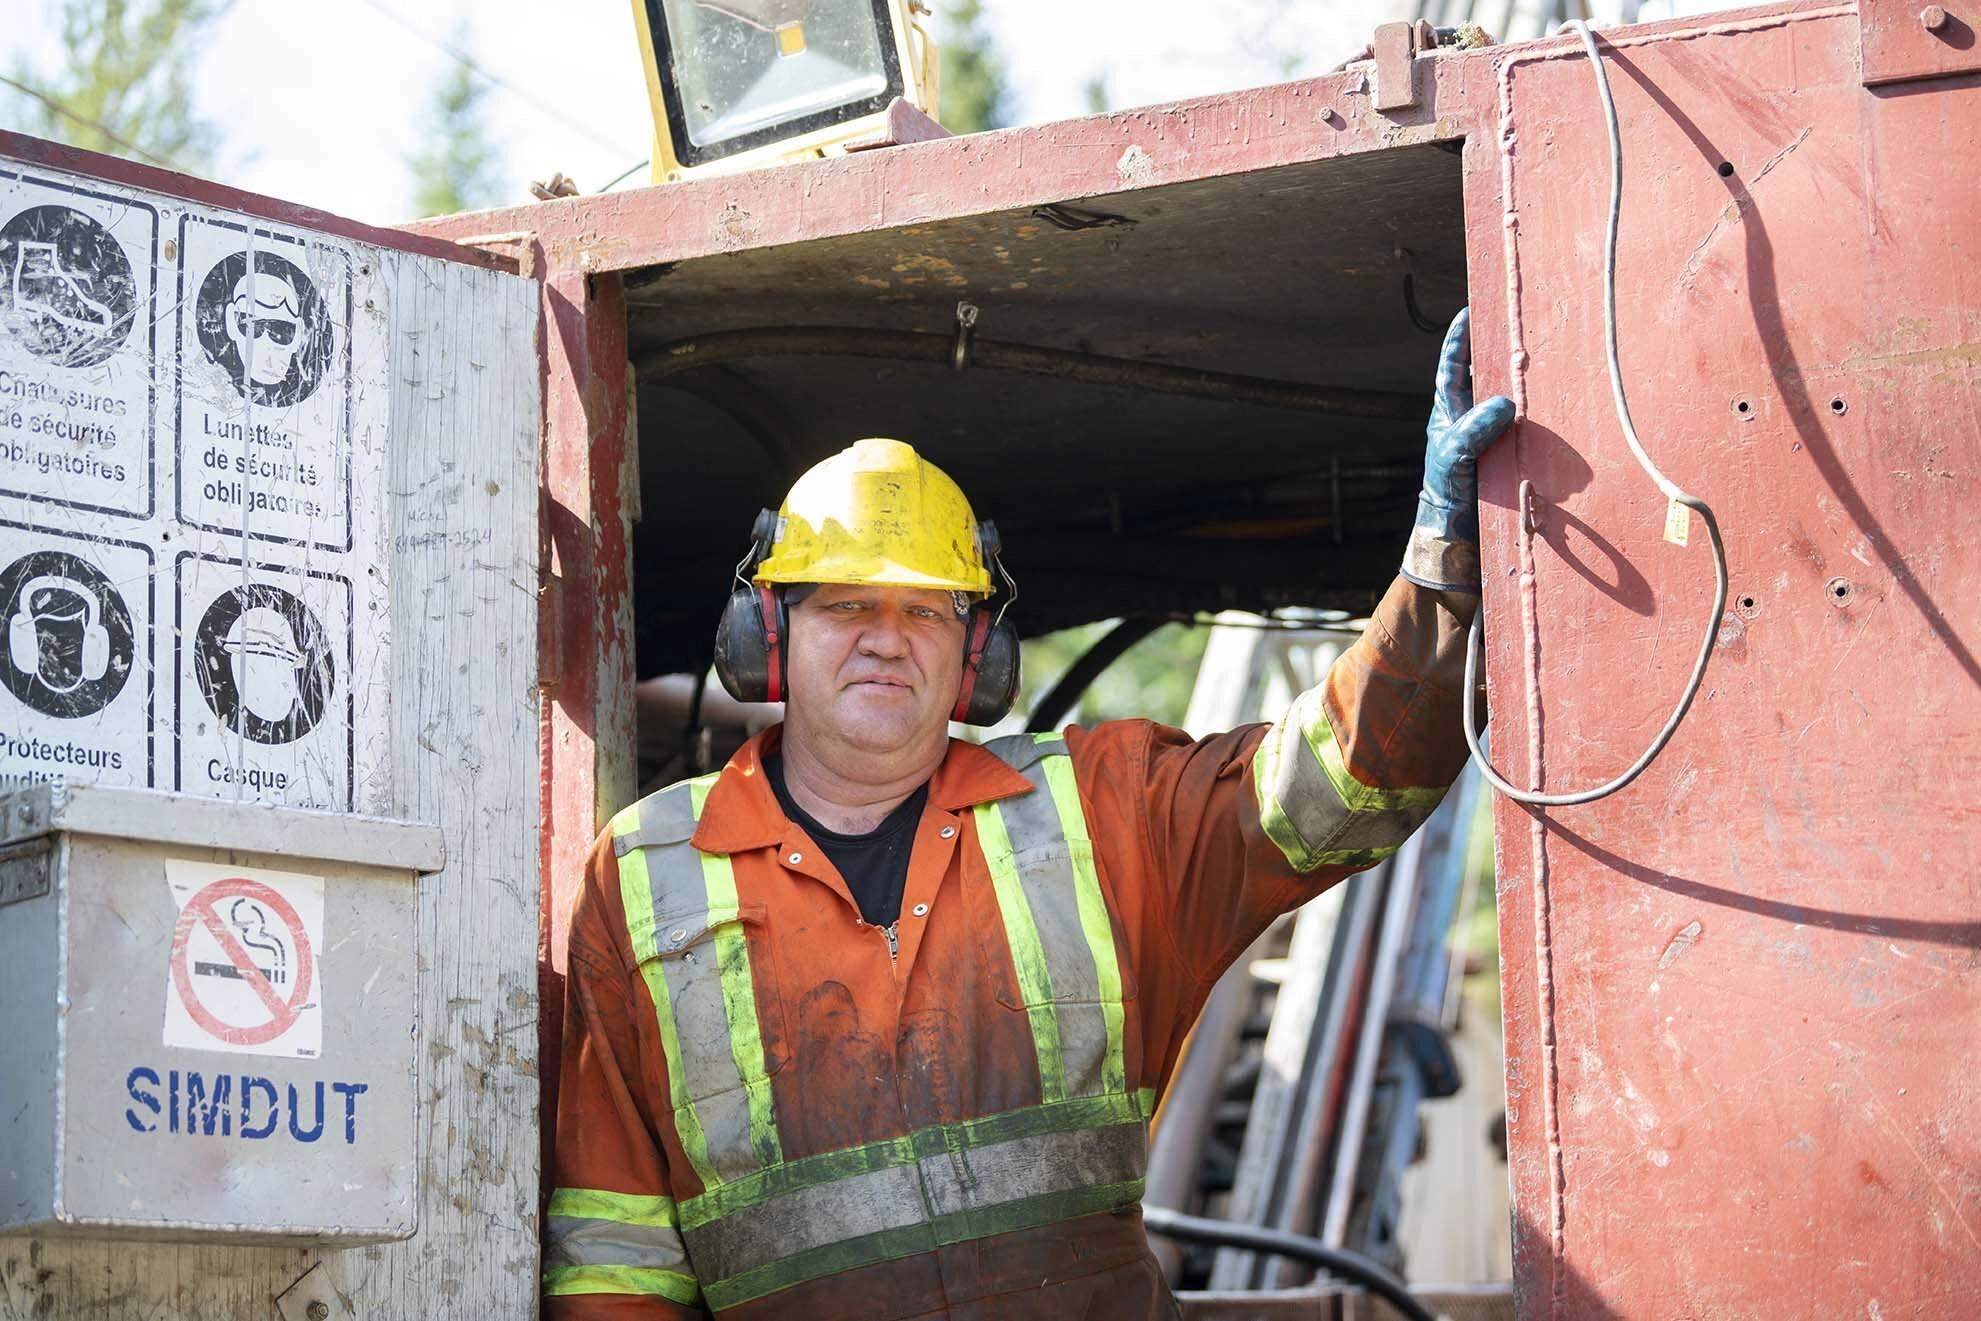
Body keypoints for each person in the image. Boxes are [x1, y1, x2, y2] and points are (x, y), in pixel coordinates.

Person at [542, 311, 1515, 1319]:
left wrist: (1436, 569)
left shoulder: (1104, 809)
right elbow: (616, 1254)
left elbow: (1339, 786)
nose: (886, 639)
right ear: (768, 632)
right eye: (843, 604)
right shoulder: (645, 871)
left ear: (976, 653)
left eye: (925, 610)